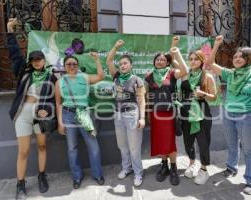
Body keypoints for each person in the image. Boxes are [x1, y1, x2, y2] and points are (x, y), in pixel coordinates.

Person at [206, 35, 251, 195]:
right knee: (231, 145)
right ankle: (231, 167)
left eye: (241, 56)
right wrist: (217, 44)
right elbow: (209, 64)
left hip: (248, 117)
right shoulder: (230, 74)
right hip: (229, 114)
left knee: (249, 149)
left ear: (249, 58)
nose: (237, 59)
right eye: (235, 56)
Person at [7, 18, 57, 199]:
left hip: (41, 115)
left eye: (39, 59)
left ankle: (42, 176)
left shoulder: (52, 77)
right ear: (30, 62)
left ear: (44, 60)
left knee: (42, 146)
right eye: (33, 60)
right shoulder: (23, 71)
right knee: (24, 150)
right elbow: (14, 54)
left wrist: (48, 110)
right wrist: (9, 31)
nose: (36, 62)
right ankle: (20, 184)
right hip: (24, 113)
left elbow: (55, 98)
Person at [55, 54, 105, 189]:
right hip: (68, 115)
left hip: (84, 114)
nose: (72, 66)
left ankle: (97, 174)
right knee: (72, 148)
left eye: (74, 64)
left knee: (93, 145)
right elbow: (58, 104)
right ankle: (77, 177)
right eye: (69, 64)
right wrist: (60, 123)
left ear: (77, 65)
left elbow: (101, 76)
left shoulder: (84, 77)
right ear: (64, 67)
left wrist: (97, 60)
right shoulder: (59, 82)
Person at [145, 36, 187, 186]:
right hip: (155, 114)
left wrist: (176, 51)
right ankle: (164, 165)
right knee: (159, 140)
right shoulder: (149, 76)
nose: (160, 61)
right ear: (154, 62)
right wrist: (147, 113)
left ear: (167, 62)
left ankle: (174, 167)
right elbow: (147, 96)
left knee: (170, 141)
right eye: (157, 59)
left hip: (169, 114)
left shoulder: (172, 74)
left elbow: (184, 70)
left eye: (163, 59)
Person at [173, 48, 217, 185]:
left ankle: (204, 170)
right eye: (190, 59)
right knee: (188, 142)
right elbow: (174, 61)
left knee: (203, 143)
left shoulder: (207, 77)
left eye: (196, 59)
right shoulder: (184, 76)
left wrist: (203, 94)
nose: (193, 61)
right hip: (186, 114)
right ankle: (192, 164)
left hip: (202, 114)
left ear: (201, 61)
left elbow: (214, 97)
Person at [106, 40, 146, 187]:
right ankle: (126, 168)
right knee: (122, 145)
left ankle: (138, 173)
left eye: (125, 63)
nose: (122, 65)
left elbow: (141, 100)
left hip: (132, 114)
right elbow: (109, 60)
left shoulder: (137, 80)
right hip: (118, 115)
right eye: (120, 64)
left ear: (131, 65)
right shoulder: (116, 77)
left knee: (134, 146)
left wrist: (142, 118)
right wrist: (116, 47)